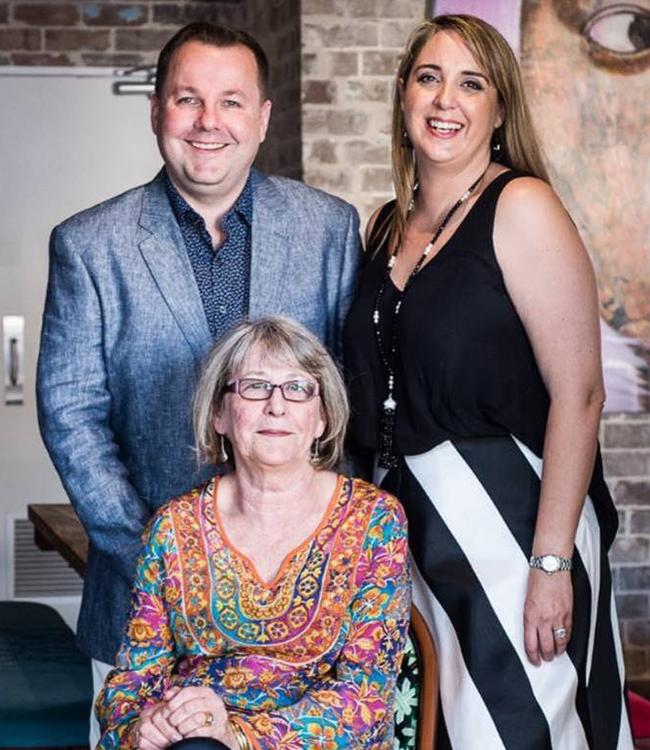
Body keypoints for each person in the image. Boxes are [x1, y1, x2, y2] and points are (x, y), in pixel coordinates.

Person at [36, 21, 360, 744]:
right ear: (157, 112)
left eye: (231, 101)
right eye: (187, 99)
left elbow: (345, 404)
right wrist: (159, 555)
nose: (209, 122)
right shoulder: (90, 244)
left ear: (263, 116)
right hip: (139, 612)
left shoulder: (329, 229)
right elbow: (69, 414)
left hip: (299, 625)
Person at [344, 13, 632, 749]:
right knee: (436, 732)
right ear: (404, 96)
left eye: (471, 84)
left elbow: (581, 394)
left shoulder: (522, 206)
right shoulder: (383, 226)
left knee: (523, 732)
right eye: (429, 78)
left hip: (514, 522)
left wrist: (551, 562)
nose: (446, 101)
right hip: (409, 531)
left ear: (499, 109)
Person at [95, 316, 410, 750]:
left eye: (298, 389)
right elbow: (132, 680)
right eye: (255, 386)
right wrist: (145, 724)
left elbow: (365, 702)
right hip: (194, 738)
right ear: (220, 414)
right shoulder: (172, 528)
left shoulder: (375, 521)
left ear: (321, 418)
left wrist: (236, 736)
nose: (277, 406)